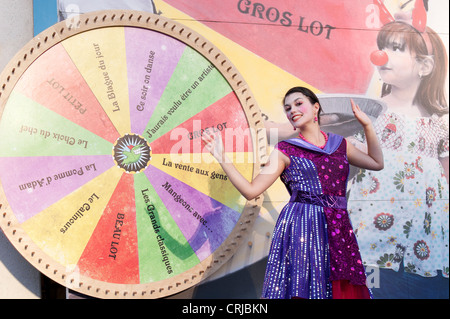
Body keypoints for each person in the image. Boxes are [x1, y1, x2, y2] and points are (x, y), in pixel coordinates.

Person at [202, 86, 384, 299]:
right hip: (302, 227)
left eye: (298, 104)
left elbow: (376, 162)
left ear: (316, 107)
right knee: (306, 290)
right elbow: (251, 190)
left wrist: (367, 124)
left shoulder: (339, 144)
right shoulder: (284, 151)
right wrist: (221, 155)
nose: (292, 110)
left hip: (338, 226)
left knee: (341, 289)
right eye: (287, 108)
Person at [347, 20, 449, 297]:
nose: (381, 55)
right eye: (382, 47)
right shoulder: (368, 112)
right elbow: (348, 162)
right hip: (371, 238)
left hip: (425, 245)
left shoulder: (441, 122)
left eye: (395, 48)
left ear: (424, 67)